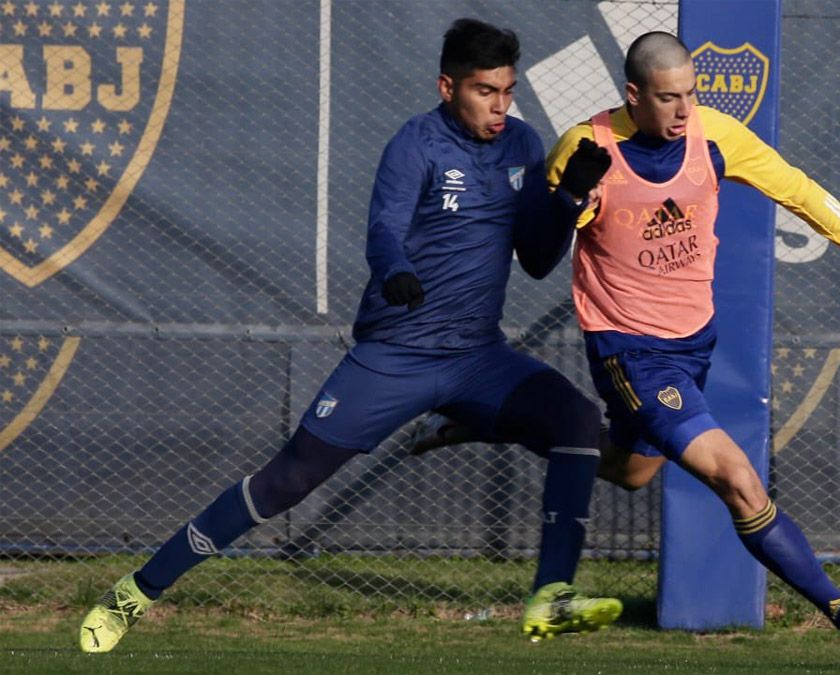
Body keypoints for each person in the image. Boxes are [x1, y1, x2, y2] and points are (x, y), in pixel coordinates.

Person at [78, 18, 621, 653]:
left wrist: (567, 198)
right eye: (484, 91)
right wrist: (395, 273)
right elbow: (384, 230)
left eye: (506, 90)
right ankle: (133, 594)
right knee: (287, 481)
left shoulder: (523, 146)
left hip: (478, 355)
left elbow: (535, 257)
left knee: (578, 423)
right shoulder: (414, 144)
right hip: (396, 356)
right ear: (448, 87)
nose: (499, 106)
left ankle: (550, 596)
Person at [543, 31, 840, 652]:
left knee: (631, 471)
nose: (684, 111)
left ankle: (522, 425)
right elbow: (542, 242)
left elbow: (794, 188)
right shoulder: (587, 147)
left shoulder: (712, 135)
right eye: (668, 98)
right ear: (634, 96)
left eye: (691, 94)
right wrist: (570, 198)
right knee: (739, 479)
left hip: (693, 346)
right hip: (629, 350)